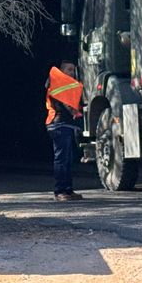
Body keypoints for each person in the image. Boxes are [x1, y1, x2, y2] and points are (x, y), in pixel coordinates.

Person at [45, 61, 84, 201]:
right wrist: (75, 112)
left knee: (67, 160)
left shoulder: (68, 85)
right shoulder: (58, 83)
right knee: (61, 159)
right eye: (69, 69)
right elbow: (66, 104)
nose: (72, 72)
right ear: (62, 71)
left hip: (66, 125)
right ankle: (59, 191)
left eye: (73, 70)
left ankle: (68, 190)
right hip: (58, 124)